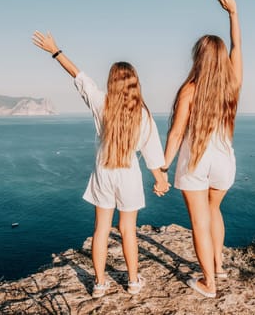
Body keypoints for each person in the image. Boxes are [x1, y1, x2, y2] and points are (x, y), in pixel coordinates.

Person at [32, 31, 170, 298]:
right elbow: (153, 153)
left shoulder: (102, 104)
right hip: (128, 175)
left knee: (101, 230)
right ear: (135, 84)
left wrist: (55, 50)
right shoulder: (143, 114)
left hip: (104, 174)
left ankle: (99, 283)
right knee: (128, 230)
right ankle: (132, 281)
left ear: (112, 83)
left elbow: (80, 77)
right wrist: (161, 180)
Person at [162, 0, 243, 298]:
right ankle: (219, 264)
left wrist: (164, 167)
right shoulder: (232, 85)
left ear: (198, 57)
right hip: (225, 161)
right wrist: (233, 13)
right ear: (221, 59)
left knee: (199, 221)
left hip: (195, 160)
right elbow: (237, 45)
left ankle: (209, 282)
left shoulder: (190, 90)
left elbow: (177, 133)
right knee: (214, 210)